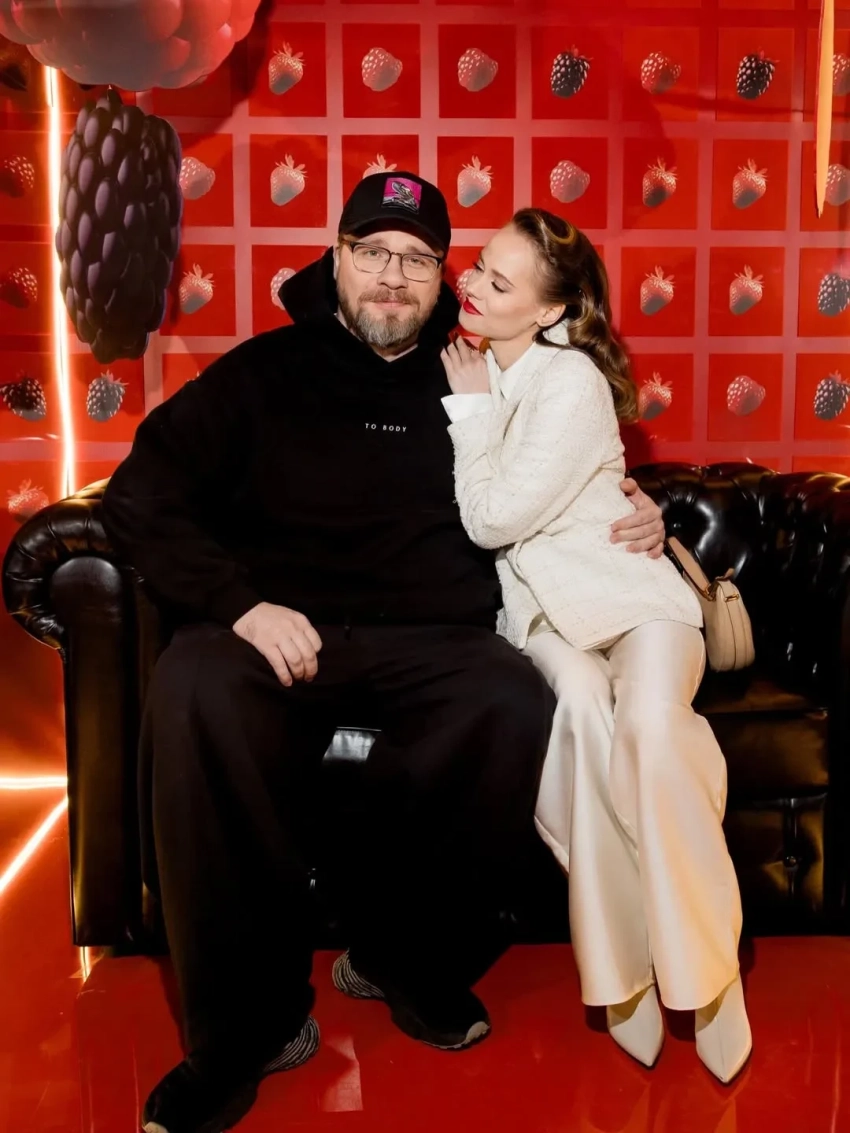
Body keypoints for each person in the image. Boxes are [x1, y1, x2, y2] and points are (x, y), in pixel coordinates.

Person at [101, 175, 667, 1133]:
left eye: (416, 258)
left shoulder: (488, 371)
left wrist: (643, 513)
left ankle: (405, 959)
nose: (393, 276)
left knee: (509, 697)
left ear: (445, 276)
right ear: (338, 258)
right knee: (193, 684)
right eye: (373, 252)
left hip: (433, 643)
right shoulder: (263, 373)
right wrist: (241, 606)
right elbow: (141, 493)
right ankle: (242, 1034)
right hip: (281, 632)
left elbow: (574, 463)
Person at [439, 208, 752, 1085]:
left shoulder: (568, 378)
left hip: (635, 600)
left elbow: (493, 517)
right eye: (479, 266)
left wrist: (472, 415)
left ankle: (710, 976)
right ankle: (623, 974)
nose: (473, 284)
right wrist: (474, 404)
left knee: (651, 730)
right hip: (543, 618)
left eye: (499, 281)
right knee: (577, 713)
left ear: (548, 311)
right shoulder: (461, 359)